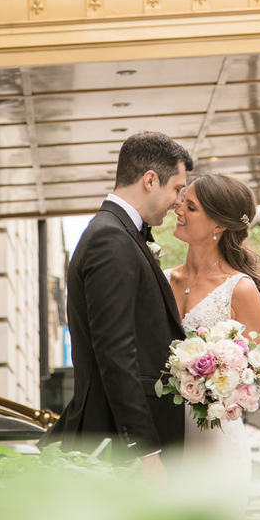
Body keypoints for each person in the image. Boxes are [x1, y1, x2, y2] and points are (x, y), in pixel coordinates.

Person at [39, 131, 192, 478]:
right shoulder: (111, 238)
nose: (178, 202)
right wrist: (145, 450)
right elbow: (116, 354)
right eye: (177, 189)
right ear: (150, 180)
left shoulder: (117, 233)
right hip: (118, 452)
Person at [165, 172, 260, 520]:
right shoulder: (164, 280)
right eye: (181, 201)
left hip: (217, 439)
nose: (178, 208)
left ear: (217, 225)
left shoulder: (240, 290)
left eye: (190, 206)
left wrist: (215, 382)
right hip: (169, 436)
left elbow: (256, 376)